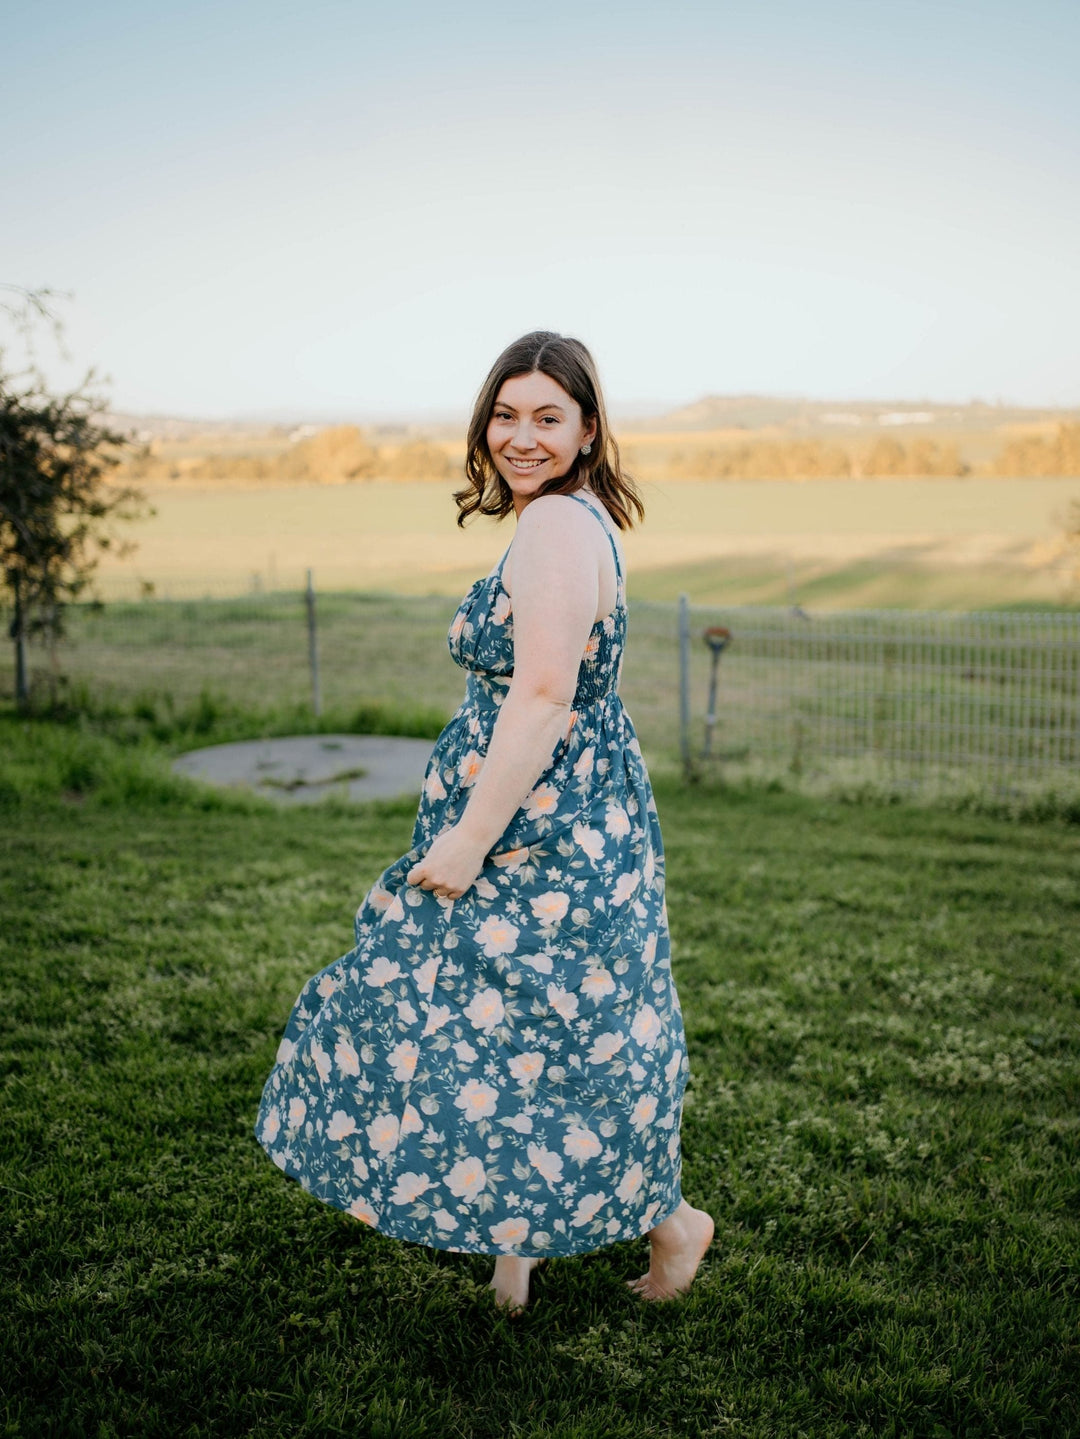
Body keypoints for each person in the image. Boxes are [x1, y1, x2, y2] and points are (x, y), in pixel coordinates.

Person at [255, 331, 714, 1315]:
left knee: (475, 1005)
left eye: (548, 417)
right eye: (506, 414)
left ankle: (672, 1222)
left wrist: (468, 836)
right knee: (521, 1019)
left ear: (588, 428)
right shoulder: (572, 514)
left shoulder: (554, 528)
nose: (522, 435)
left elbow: (545, 693)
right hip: (571, 808)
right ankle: (517, 1254)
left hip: (533, 821)